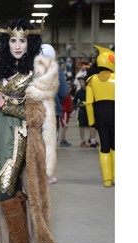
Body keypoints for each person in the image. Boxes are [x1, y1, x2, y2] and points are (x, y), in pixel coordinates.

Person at [0, 14, 59, 243]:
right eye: (12, 39)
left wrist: (6, 104)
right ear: (6, 42)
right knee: (7, 192)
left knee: (4, 190)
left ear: (30, 44)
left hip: (20, 138)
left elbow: (37, 116)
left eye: (22, 41)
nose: (17, 45)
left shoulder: (36, 74)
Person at [85, 45, 115, 187]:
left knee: (104, 146)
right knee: (115, 146)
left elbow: (89, 103)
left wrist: (92, 122)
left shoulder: (92, 80)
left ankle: (107, 179)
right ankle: (115, 177)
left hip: (101, 118)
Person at [40, 43, 68, 185]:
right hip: (52, 110)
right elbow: (64, 92)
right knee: (49, 144)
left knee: (35, 142)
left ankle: (32, 174)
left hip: (35, 110)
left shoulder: (32, 69)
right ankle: (47, 176)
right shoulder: (56, 70)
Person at [73, 75, 98, 149]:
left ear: (86, 82)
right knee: (82, 126)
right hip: (82, 111)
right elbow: (74, 102)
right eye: (79, 82)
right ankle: (82, 141)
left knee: (92, 125)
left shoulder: (90, 90)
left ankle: (92, 139)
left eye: (82, 82)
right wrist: (77, 105)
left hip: (90, 110)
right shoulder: (78, 92)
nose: (81, 83)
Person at [59, 81, 73, 147]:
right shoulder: (64, 94)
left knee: (65, 126)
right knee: (64, 126)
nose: (69, 87)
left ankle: (63, 139)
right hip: (64, 111)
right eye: (68, 86)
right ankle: (62, 140)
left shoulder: (68, 94)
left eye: (70, 86)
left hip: (67, 112)